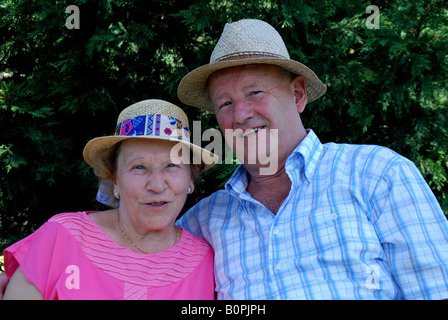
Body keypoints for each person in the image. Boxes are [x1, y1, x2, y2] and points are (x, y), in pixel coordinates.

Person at [174, 19, 448, 299]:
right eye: (225, 103)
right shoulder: (202, 223)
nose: (240, 114)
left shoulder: (377, 174)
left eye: (254, 92)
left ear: (298, 95)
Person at [2, 99, 218, 300]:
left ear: (191, 177)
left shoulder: (207, 262)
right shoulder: (62, 237)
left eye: (172, 166)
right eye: (139, 167)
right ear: (114, 179)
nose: (157, 185)